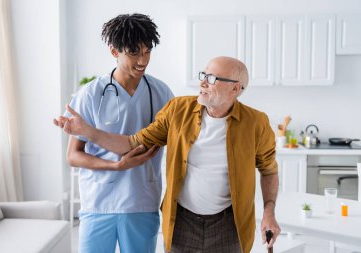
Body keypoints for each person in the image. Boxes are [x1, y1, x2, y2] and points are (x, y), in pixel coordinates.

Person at [55, 56, 280, 253]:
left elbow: (268, 170)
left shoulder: (256, 123)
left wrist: (269, 211)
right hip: (182, 222)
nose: (202, 82)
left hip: (229, 225)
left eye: (212, 78)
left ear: (235, 88)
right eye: (204, 75)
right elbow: (131, 143)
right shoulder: (177, 110)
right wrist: (87, 132)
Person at [61, 13, 174, 253]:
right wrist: (116, 166)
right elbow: (73, 156)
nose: (143, 60)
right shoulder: (90, 94)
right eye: (134, 52)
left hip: (141, 202)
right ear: (114, 52)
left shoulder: (162, 93)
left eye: (147, 51)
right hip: (98, 203)